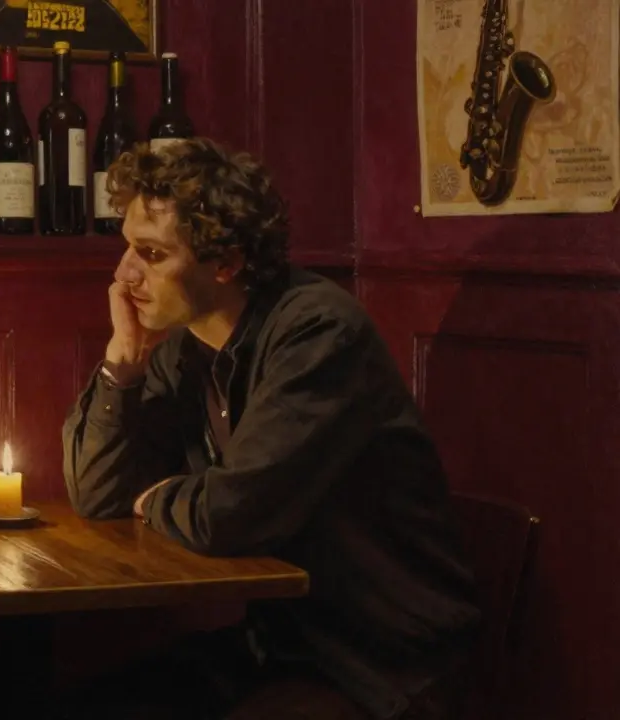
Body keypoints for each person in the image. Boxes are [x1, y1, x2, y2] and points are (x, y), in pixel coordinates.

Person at [60, 138, 482, 720]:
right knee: (86, 705)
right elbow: (97, 493)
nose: (123, 273)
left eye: (151, 255)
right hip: (282, 645)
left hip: (386, 662)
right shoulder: (184, 347)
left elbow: (228, 514)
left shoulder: (318, 331)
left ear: (225, 262)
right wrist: (123, 368)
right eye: (127, 248)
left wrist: (159, 498)